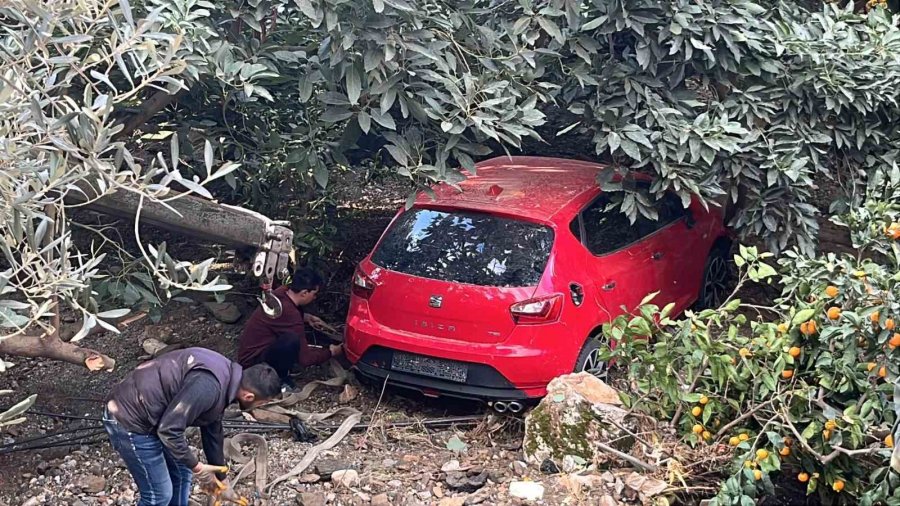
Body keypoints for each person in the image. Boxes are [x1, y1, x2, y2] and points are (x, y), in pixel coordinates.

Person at [103, 347, 281, 506]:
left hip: (153, 416)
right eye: (261, 403)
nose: (258, 406)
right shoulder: (209, 386)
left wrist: (222, 480)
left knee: (182, 473)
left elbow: (212, 430)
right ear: (249, 396)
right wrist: (198, 469)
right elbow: (169, 430)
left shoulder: (227, 377)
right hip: (129, 419)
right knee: (159, 496)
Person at [237, 267, 342, 389]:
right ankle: (280, 379)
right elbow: (305, 359)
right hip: (252, 365)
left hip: (249, 353)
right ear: (304, 293)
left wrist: (306, 317)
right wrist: (331, 352)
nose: (315, 298)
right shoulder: (290, 314)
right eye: (314, 294)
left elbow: (282, 318)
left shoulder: (281, 292)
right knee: (291, 340)